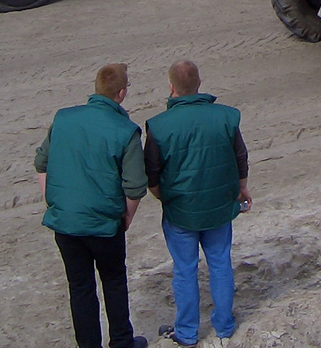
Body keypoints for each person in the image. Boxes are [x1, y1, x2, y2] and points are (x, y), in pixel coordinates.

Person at [36, 64, 149, 348]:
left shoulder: (63, 118)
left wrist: (54, 202)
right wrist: (127, 218)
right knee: (113, 282)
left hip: (65, 223)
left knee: (80, 288)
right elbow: (135, 186)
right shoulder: (125, 131)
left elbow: (41, 163)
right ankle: (122, 342)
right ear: (121, 94)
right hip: (104, 226)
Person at [146, 61, 250, 348]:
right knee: (220, 264)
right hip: (218, 209)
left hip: (181, 211)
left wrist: (163, 197)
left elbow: (151, 173)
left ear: (171, 87)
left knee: (184, 270)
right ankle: (225, 327)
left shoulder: (158, 126)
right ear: (199, 83)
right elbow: (240, 156)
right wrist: (241, 189)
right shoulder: (226, 117)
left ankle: (187, 332)